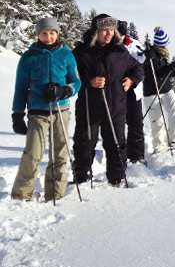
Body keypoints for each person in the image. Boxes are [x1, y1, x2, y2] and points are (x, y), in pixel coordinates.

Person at [11, 17, 81, 202]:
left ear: (57, 33)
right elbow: (21, 87)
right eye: (44, 33)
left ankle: (55, 194)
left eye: (52, 33)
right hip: (37, 112)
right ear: (38, 35)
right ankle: (21, 194)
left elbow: (76, 81)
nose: (48, 36)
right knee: (33, 153)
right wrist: (17, 114)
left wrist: (65, 90)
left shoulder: (66, 55)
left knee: (59, 154)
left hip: (61, 110)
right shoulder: (29, 57)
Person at [72, 14, 143, 186]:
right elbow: (71, 75)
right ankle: (81, 178)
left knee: (117, 145)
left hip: (115, 107)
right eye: (105, 30)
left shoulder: (120, 51)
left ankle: (116, 179)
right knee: (84, 144)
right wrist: (88, 81)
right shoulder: (82, 52)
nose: (109, 34)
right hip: (89, 107)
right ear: (96, 31)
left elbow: (137, 67)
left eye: (112, 30)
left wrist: (132, 80)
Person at [143, 27, 175, 153]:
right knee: (158, 121)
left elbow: (164, 73)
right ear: (161, 44)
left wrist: (172, 71)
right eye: (166, 44)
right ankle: (158, 146)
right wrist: (169, 69)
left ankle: (174, 139)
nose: (167, 46)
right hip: (152, 91)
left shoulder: (164, 55)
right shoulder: (151, 56)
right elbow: (156, 74)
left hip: (166, 89)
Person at [117, 20, 146, 164]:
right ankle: (119, 156)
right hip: (116, 91)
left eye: (121, 35)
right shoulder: (110, 46)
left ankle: (137, 155)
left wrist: (149, 56)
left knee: (136, 122)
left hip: (134, 89)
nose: (119, 38)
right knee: (119, 124)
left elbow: (141, 63)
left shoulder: (135, 44)